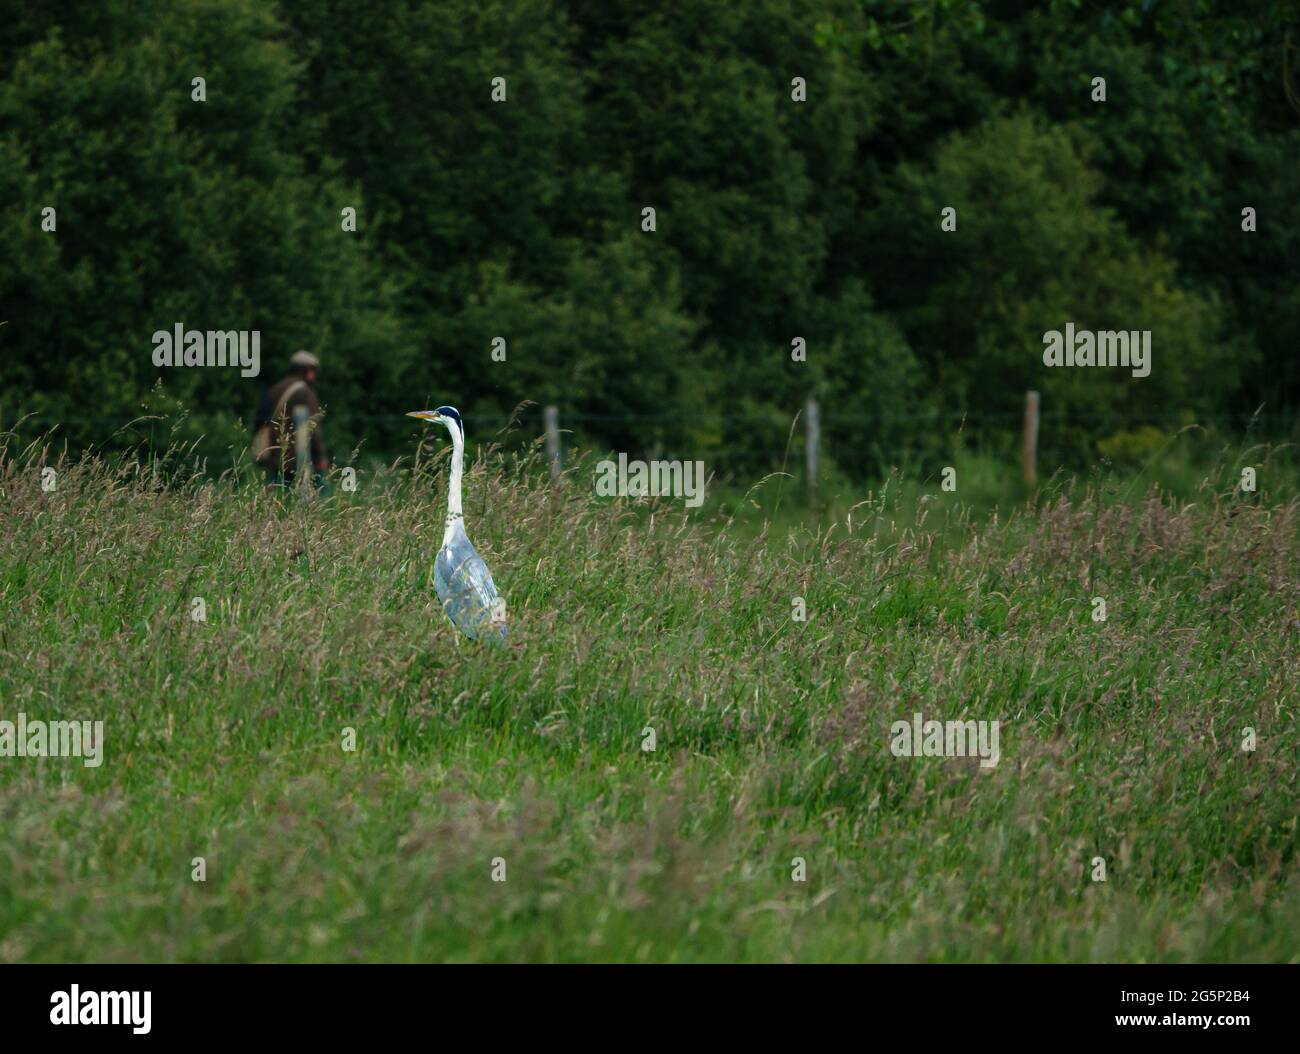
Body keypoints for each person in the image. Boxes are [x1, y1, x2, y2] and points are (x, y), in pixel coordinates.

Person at [253, 350, 331, 492]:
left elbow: (259, 421)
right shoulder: (305, 392)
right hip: (300, 458)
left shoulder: (274, 390)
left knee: (277, 499)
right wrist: (320, 457)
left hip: (274, 456)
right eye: (312, 369)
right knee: (320, 497)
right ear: (306, 370)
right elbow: (313, 428)